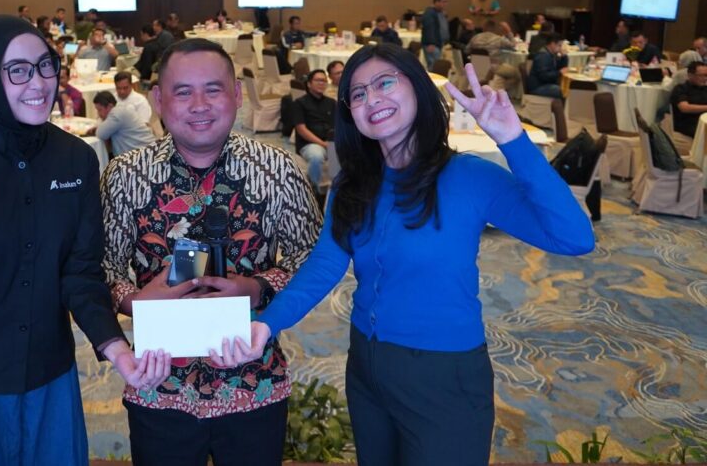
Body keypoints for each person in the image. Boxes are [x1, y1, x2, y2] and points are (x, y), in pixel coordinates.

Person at [218, 46, 594, 466]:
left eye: (385, 83)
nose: (372, 99)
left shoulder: (468, 176)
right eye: (358, 94)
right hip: (367, 367)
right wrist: (267, 323)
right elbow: (326, 263)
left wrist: (513, 140)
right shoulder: (352, 184)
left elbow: (574, 237)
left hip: (444, 374)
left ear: (417, 87)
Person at [0, 15, 168, 466]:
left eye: (46, 65)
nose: (39, 82)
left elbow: (80, 273)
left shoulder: (75, 159)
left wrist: (116, 348)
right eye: (18, 70)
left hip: (46, 373)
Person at [100, 38, 323, 466]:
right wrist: (135, 301)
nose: (199, 105)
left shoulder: (278, 169)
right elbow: (101, 267)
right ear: (158, 100)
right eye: (183, 92)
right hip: (157, 380)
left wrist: (257, 287)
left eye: (213, 90)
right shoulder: (124, 175)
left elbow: (311, 262)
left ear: (237, 94)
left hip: (254, 379)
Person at [292, 69, 336, 197]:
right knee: (316, 156)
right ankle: (313, 191)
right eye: (318, 80)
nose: (321, 83)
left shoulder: (331, 103)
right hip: (309, 143)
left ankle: (337, 190)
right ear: (309, 84)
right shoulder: (299, 103)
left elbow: (337, 126)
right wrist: (323, 143)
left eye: (324, 81)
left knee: (350, 154)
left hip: (330, 141)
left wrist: (332, 142)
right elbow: (301, 129)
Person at [90, 91, 156, 156]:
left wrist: (98, 128)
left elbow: (100, 133)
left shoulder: (116, 114)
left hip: (143, 154)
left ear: (109, 106)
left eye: (100, 110)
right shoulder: (121, 109)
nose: (98, 114)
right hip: (145, 150)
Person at [670, 62, 707, 138]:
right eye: (701, 75)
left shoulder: (705, 88)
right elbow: (685, 108)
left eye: (706, 75)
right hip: (689, 124)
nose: (705, 78)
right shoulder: (681, 88)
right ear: (690, 75)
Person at [527, 32, 568, 99]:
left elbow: (561, 67)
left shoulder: (551, 54)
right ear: (552, 44)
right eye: (559, 45)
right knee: (563, 91)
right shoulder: (543, 56)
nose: (560, 48)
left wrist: (564, 56)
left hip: (545, 84)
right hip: (538, 87)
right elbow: (544, 76)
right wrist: (559, 72)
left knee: (566, 88)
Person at [421, 0, 450, 70]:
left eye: (446, 2)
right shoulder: (430, 13)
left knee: (437, 66)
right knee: (434, 67)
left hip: (438, 44)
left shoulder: (439, 13)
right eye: (443, 2)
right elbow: (429, 29)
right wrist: (431, 43)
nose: (445, 4)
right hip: (433, 45)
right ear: (437, 2)